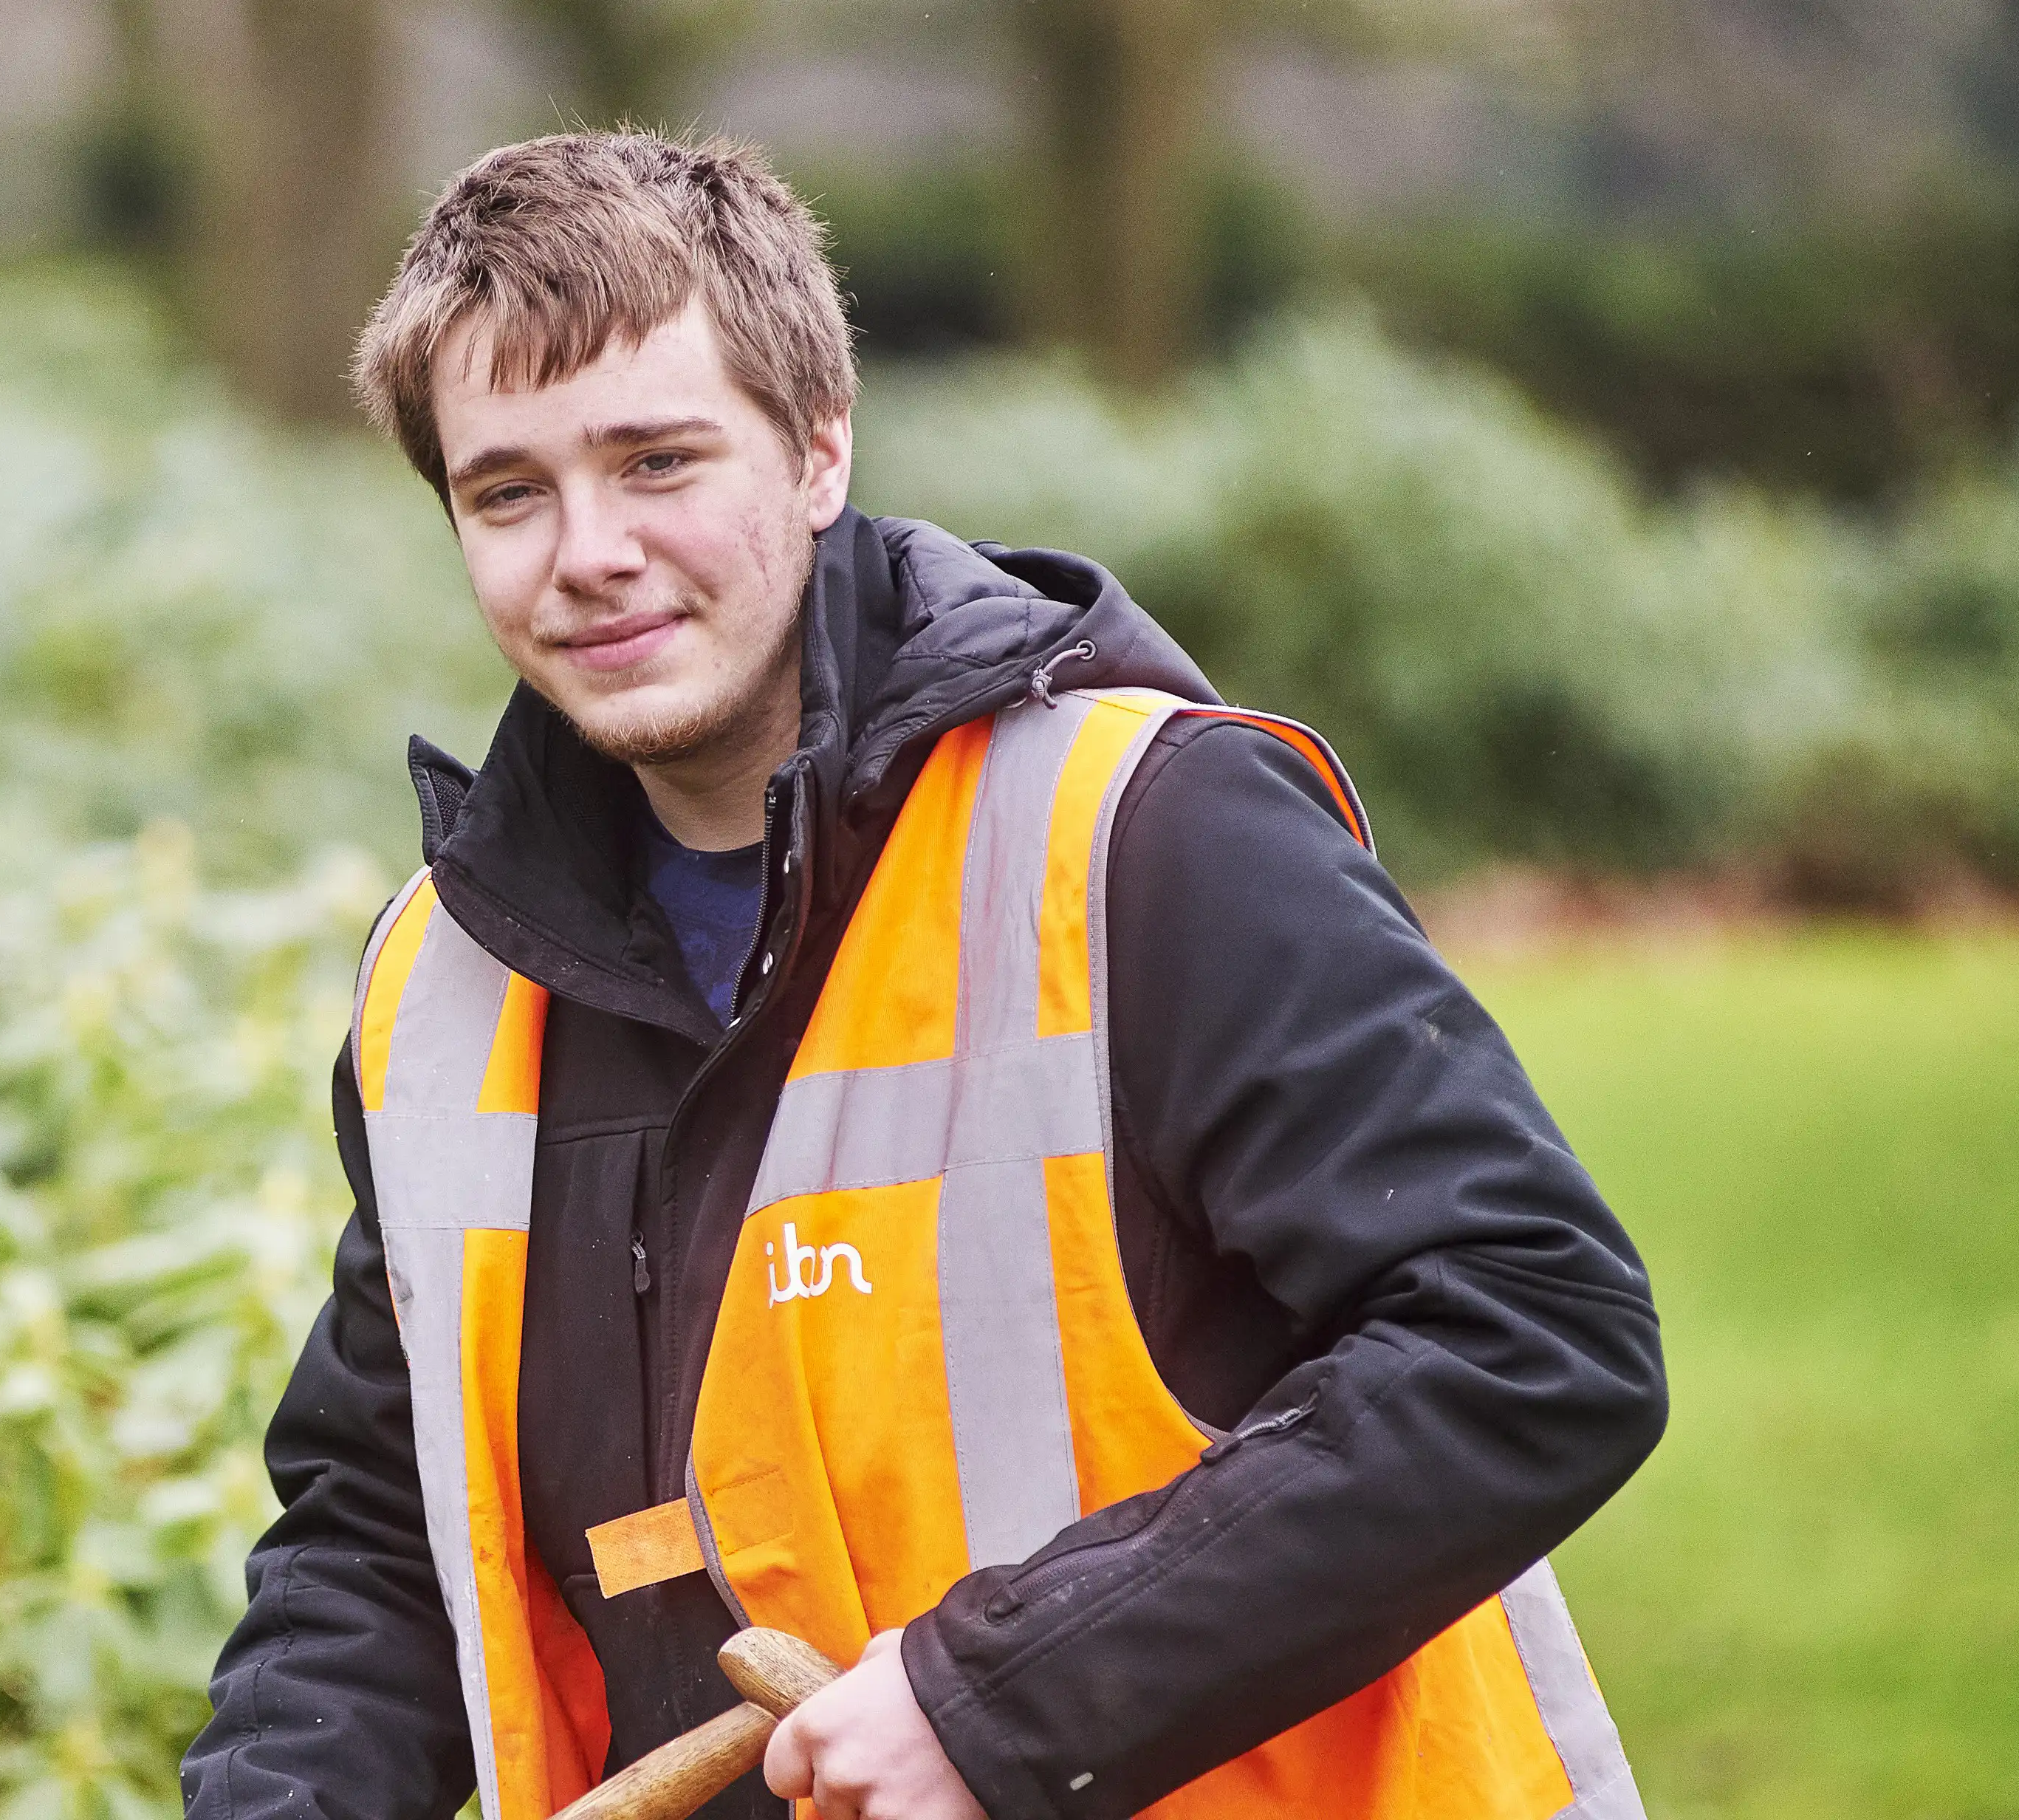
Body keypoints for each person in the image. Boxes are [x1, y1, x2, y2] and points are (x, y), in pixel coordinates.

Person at [176, 130, 1667, 1820]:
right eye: (506, 490)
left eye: (657, 460)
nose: (583, 549)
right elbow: (382, 1526)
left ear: (819, 453)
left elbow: (1534, 1333)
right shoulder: (439, 989)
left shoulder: (1137, 836)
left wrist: (1001, 1699)